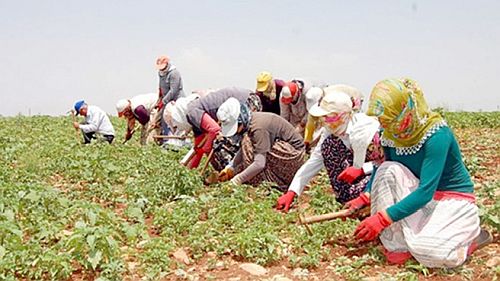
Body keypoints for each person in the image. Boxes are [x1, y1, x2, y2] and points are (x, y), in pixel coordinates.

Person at [351, 78, 491, 267]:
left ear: (404, 111)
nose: (384, 126)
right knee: (386, 169)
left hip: (449, 199)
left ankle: (472, 236)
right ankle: (396, 244)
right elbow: (383, 173)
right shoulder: (391, 135)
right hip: (418, 195)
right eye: (382, 121)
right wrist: (365, 196)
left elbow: (426, 191)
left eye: (389, 120)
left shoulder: (437, 135)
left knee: (431, 254)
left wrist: (382, 218)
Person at [276, 85, 383, 212]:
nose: (325, 122)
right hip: (354, 176)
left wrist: (362, 170)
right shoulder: (330, 131)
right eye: (323, 118)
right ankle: (346, 198)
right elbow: (315, 161)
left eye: (329, 117)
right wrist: (292, 191)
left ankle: (368, 201)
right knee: (328, 146)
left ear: (344, 116)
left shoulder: (367, 131)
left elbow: (388, 163)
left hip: (375, 174)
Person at [217, 98, 305, 188]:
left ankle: (273, 181)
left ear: (241, 120)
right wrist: (230, 167)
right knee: (247, 144)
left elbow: (259, 163)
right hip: (289, 154)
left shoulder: (258, 129)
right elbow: (242, 150)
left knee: (249, 147)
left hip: (294, 157)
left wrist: (237, 180)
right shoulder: (252, 120)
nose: (236, 132)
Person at [184, 87, 254, 169]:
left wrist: (207, 147)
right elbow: (198, 148)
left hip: (245, 101)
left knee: (230, 144)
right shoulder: (195, 121)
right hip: (235, 103)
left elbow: (214, 129)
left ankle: (236, 170)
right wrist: (190, 170)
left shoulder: (192, 113)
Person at [152, 55, 185, 139]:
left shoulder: (174, 73)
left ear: (167, 64)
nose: (161, 69)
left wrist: (163, 101)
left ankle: (178, 140)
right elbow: (161, 87)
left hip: (176, 99)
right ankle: (166, 140)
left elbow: (173, 90)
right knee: (164, 120)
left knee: (175, 119)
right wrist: (159, 99)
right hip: (165, 100)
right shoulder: (160, 73)